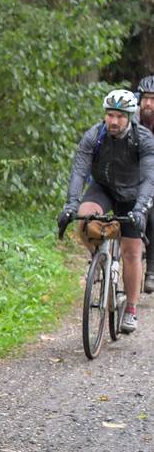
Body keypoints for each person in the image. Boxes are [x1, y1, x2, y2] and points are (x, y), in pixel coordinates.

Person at [57, 88, 154, 333]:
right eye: (110, 115)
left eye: (120, 116)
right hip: (103, 188)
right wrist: (70, 205)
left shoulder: (142, 138)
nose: (113, 121)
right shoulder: (94, 135)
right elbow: (79, 171)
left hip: (132, 194)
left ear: (130, 117)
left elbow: (149, 178)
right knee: (84, 218)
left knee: (131, 251)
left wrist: (141, 209)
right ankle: (99, 258)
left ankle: (130, 308)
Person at [136, 75, 154, 293]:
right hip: (133, 172)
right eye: (145, 99)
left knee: (152, 216)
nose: (148, 103)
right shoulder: (131, 118)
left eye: (152, 99)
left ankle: (151, 270)